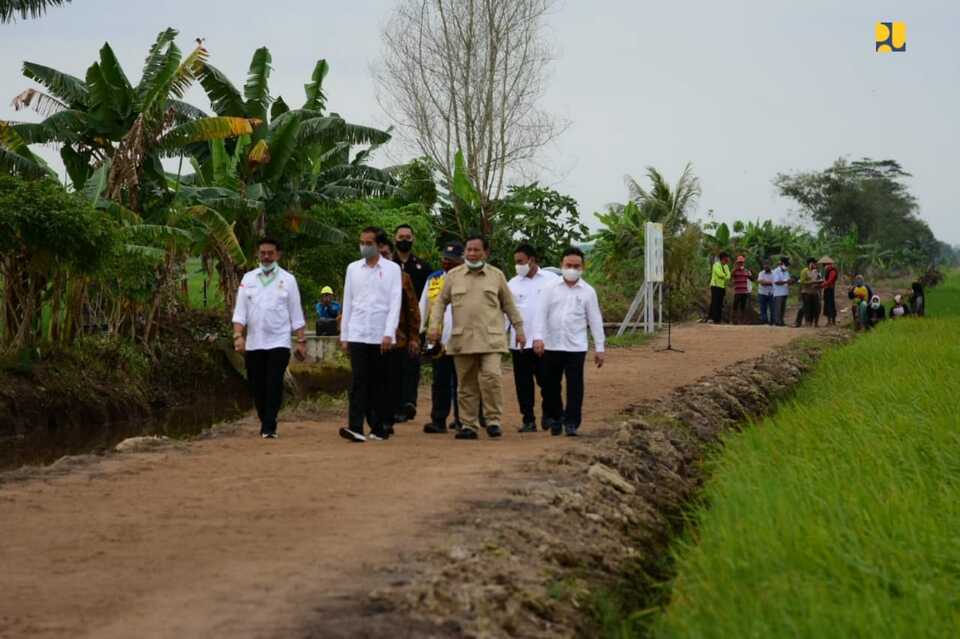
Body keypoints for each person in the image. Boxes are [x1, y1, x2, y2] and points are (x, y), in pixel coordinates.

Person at [428, 234, 525, 440]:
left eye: (476, 250)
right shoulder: (453, 276)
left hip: (490, 339)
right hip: (462, 339)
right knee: (466, 384)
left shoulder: (496, 276)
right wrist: (434, 326)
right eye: (469, 250)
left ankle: (493, 421)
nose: (472, 254)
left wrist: (520, 329)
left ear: (485, 252)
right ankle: (469, 425)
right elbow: (439, 303)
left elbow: (509, 305)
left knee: (492, 377)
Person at [231, 237, 307, 439]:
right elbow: (240, 312)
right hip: (255, 342)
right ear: (258, 254)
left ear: (278, 254)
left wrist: (301, 341)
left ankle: (269, 426)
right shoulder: (248, 279)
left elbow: (296, 313)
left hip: (279, 341)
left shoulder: (288, 280)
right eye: (263, 253)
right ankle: (265, 418)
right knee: (257, 385)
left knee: (274, 383)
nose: (266, 256)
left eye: (270, 253)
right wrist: (238, 336)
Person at [338, 227, 403, 443]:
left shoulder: (393, 269)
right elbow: (347, 301)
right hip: (357, 332)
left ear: (380, 245)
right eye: (362, 242)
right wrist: (344, 334)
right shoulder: (352, 269)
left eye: (369, 243)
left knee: (379, 382)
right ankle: (355, 426)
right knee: (358, 380)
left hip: (380, 334)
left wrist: (388, 333)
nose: (364, 246)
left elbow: (395, 303)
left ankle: (380, 426)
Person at [533, 247, 605, 437]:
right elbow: (540, 314)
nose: (572, 269)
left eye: (576, 266)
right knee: (550, 386)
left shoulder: (588, 292)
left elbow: (595, 320)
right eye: (568, 265)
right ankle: (556, 417)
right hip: (552, 344)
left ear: (583, 267)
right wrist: (538, 337)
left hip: (576, 346)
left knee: (575, 386)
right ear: (561, 265)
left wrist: (600, 348)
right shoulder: (549, 289)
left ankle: (572, 421)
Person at [507, 243, 560, 432]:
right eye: (515, 262)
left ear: (532, 260)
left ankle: (550, 415)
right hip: (520, 342)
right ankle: (528, 419)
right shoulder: (511, 284)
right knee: (523, 384)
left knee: (549, 381)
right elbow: (507, 313)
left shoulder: (552, 280)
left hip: (546, 341)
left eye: (520, 261)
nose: (518, 265)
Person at [378, 238, 422, 436]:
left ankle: (388, 418)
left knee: (393, 378)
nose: (383, 258)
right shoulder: (360, 274)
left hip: (398, 337)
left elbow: (413, 309)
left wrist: (414, 337)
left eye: (386, 254)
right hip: (369, 336)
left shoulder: (402, 278)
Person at [420, 241, 465, 434]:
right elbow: (424, 306)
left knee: (464, 383)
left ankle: (463, 420)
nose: (447, 263)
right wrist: (421, 331)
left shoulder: (468, 278)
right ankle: (438, 420)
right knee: (440, 381)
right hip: (439, 340)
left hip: (464, 340)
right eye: (445, 259)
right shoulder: (434, 279)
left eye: (451, 260)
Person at [393, 224, 433, 422]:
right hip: (395, 323)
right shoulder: (388, 264)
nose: (404, 240)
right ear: (394, 238)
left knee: (412, 365)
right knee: (395, 366)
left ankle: (409, 403)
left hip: (416, 323)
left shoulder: (423, 267)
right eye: (401, 236)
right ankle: (396, 405)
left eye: (408, 237)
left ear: (413, 239)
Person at [708, 252, 732, 323]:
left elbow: (729, 276)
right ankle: (711, 318)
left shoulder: (726, 266)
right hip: (715, 286)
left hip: (722, 286)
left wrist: (725, 276)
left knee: (720, 303)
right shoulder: (716, 265)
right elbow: (719, 274)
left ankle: (717, 319)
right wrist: (725, 275)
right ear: (723, 258)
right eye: (727, 257)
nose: (728, 259)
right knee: (715, 302)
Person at [798, 258, 822, 327]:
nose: (815, 265)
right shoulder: (804, 271)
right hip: (806, 292)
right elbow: (802, 282)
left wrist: (819, 282)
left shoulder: (816, 271)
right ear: (810, 263)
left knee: (815, 308)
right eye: (814, 264)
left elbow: (818, 279)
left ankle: (814, 322)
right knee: (807, 308)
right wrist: (812, 282)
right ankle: (808, 322)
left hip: (814, 292)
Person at [731, 256, 752, 325]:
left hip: (744, 291)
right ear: (737, 263)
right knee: (735, 306)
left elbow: (751, 278)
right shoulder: (735, 270)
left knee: (743, 306)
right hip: (737, 291)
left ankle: (742, 320)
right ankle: (734, 320)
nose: (741, 264)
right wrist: (736, 268)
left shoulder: (746, 271)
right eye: (739, 262)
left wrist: (749, 274)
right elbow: (731, 275)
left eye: (742, 262)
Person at [771, 257, 791, 327]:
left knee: (782, 308)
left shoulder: (786, 272)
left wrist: (792, 281)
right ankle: (777, 321)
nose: (787, 266)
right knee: (778, 308)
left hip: (785, 292)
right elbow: (776, 282)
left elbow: (788, 281)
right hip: (778, 293)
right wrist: (786, 281)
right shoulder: (776, 271)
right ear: (782, 264)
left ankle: (781, 321)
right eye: (786, 265)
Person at [819, 257, 838, 326]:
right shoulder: (829, 270)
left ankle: (831, 322)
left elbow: (829, 281)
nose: (824, 267)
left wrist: (822, 285)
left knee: (829, 305)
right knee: (828, 305)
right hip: (828, 289)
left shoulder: (832, 271)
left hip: (830, 289)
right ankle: (831, 321)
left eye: (824, 265)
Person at [756, 259, 775, 325]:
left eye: (767, 264)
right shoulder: (761, 273)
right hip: (762, 293)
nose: (766, 266)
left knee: (772, 308)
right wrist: (771, 283)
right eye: (765, 265)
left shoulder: (774, 273)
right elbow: (761, 282)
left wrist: (766, 282)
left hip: (772, 293)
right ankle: (764, 321)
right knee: (763, 308)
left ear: (770, 265)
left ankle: (772, 321)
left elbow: (774, 282)